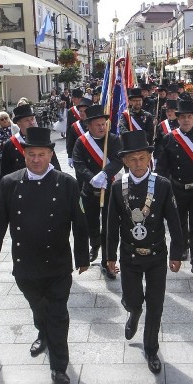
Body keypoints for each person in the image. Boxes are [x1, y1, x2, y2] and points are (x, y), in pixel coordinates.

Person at [0, 127, 89, 384]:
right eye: (31, 154)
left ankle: (59, 368)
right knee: (38, 308)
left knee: (58, 314)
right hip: (25, 264)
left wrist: (83, 257)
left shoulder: (67, 183)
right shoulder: (9, 183)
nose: (36, 159)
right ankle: (42, 331)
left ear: (51, 154)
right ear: (25, 154)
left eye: (41, 154)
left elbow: (80, 222)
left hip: (58, 263)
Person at [106, 130, 184, 374]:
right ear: (125, 162)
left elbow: (174, 221)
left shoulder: (162, 185)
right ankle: (133, 312)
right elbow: (111, 224)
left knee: (156, 303)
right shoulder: (119, 187)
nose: (137, 164)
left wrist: (176, 253)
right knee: (133, 299)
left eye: (142, 158)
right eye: (132, 159)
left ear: (149, 158)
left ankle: (151, 348)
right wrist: (109, 255)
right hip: (129, 255)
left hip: (156, 255)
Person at [155, 99, 193, 277]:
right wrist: (160, 189)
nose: (186, 120)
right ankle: (181, 249)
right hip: (177, 187)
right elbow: (162, 168)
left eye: (189, 117)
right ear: (178, 118)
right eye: (183, 117)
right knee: (179, 223)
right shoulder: (170, 138)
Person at [72, 104, 124, 272]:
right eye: (98, 125)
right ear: (89, 126)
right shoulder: (81, 142)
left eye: (104, 124)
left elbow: (118, 160)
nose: (102, 127)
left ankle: (107, 261)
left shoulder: (114, 140)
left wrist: (104, 174)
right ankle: (94, 244)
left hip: (109, 190)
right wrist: (91, 178)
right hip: (89, 190)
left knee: (109, 227)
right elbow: (78, 164)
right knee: (91, 223)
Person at [0, 104, 61, 179]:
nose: (31, 122)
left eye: (32, 119)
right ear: (19, 123)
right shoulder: (10, 144)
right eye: (27, 120)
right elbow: (4, 173)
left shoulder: (43, 139)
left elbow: (55, 164)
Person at [65, 98, 93, 167]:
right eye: (80, 111)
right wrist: (69, 156)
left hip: (94, 158)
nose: (82, 113)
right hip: (80, 158)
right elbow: (70, 142)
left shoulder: (96, 124)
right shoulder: (75, 126)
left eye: (85, 111)